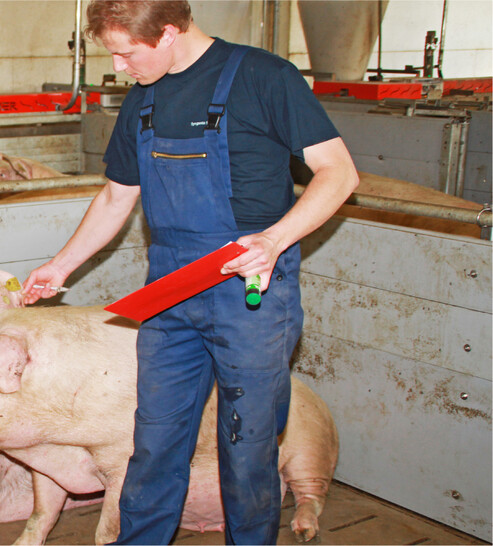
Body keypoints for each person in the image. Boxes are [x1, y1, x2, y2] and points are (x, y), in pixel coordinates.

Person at [21, 1, 359, 544]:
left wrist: (274, 239)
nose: (121, 66)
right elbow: (116, 196)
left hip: (250, 291)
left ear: (170, 33)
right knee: (155, 438)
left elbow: (338, 173)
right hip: (171, 291)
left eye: (127, 54)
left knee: (247, 445)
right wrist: (59, 266)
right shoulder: (143, 100)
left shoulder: (265, 77)